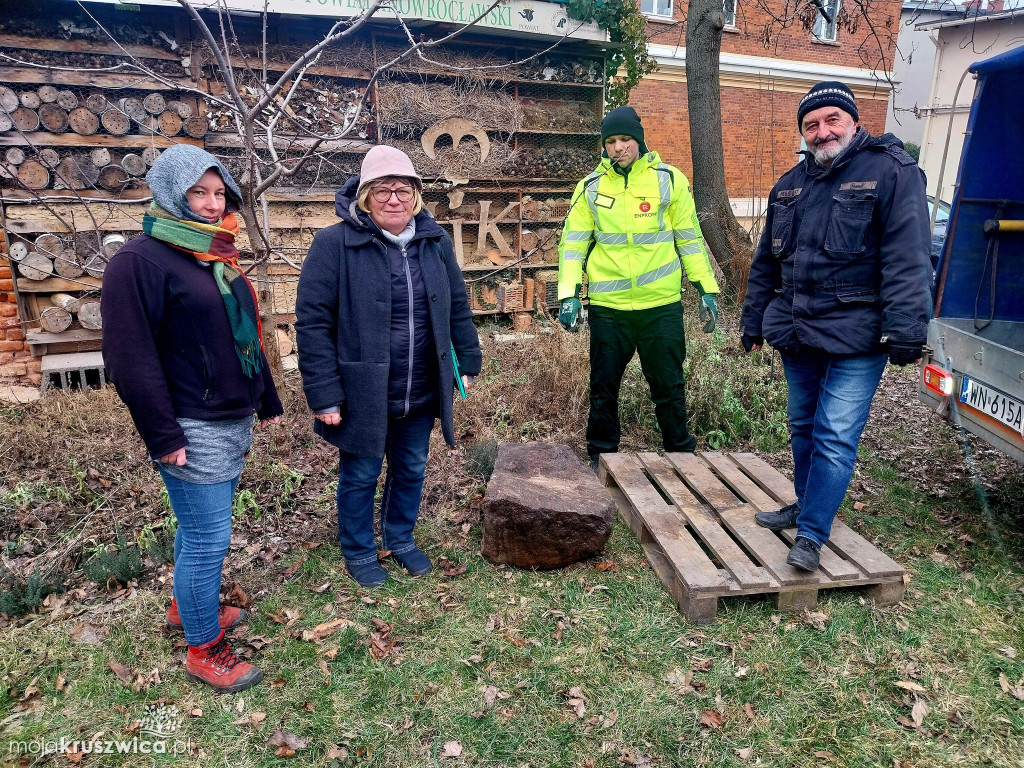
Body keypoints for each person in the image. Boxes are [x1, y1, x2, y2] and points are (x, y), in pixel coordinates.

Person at [102, 144, 282, 693]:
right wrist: (163, 435)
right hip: (190, 422)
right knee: (208, 538)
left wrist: (266, 399)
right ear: (168, 195)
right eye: (197, 193)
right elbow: (130, 360)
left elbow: (240, 332)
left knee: (198, 530)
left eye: (218, 192)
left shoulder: (214, 254)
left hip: (227, 415)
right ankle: (204, 649)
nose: (210, 204)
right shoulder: (139, 262)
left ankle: (187, 610)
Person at [740, 81, 932, 572]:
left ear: (852, 120)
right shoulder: (789, 184)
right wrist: (753, 320)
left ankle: (811, 534)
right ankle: (806, 507)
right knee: (802, 427)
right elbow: (766, 261)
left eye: (831, 121)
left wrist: (908, 330)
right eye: (811, 126)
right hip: (797, 332)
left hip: (857, 336)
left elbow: (908, 259)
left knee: (834, 434)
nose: (822, 132)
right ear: (803, 133)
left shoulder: (891, 172)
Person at [296, 145, 481, 589]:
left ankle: (399, 538)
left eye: (403, 189)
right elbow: (313, 322)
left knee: (413, 466)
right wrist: (324, 393)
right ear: (364, 196)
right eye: (382, 191)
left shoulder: (434, 243)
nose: (393, 199)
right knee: (360, 473)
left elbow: (457, 305)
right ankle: (359, 550)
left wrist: (468, 358)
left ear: (416, 195)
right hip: (363, 389)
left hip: (420, 385)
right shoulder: (334, 244)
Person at [556, 106, 721, 471]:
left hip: (660, 305)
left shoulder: (670, 180)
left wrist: (705, 288)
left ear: (639, 141)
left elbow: (689, 239)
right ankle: (602, 459)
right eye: (611, 141)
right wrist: (568, 294)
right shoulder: (590, 188)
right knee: (603, 388)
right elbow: (573, 245)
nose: (618, 147)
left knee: (669, 386)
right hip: (608, 308)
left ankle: (681, 458)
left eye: (625, 139)